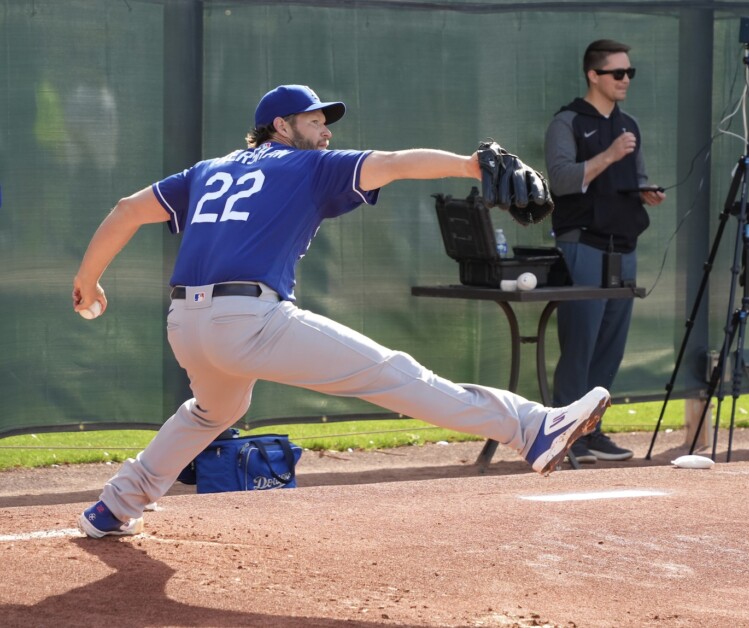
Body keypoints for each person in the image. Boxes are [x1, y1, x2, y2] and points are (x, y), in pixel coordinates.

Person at [74, 84, 611, 538]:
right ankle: (533, 427)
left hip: (185, 324)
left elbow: (126, 210)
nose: (326, 130)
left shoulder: (209, 169)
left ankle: (114, 506)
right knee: (397, 375)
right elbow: (397, 165)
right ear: (280, 126)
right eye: (315, 119)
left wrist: (87, 280)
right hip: (248, 321)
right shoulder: (310, 166)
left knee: (212, 412)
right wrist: (471, 164)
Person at [544, 41, 666, 464]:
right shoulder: (568, 122)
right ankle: (563, 436)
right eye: (617, 73)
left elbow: (636, 174)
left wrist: (645, 191)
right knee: (579, 344)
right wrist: (609, 155)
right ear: (593, 75)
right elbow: (559, 180)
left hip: (623, 248)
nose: (626, 79)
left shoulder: (629, 124)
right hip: (583, 244)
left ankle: (592, 433)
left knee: (609, 348)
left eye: (630, 72)